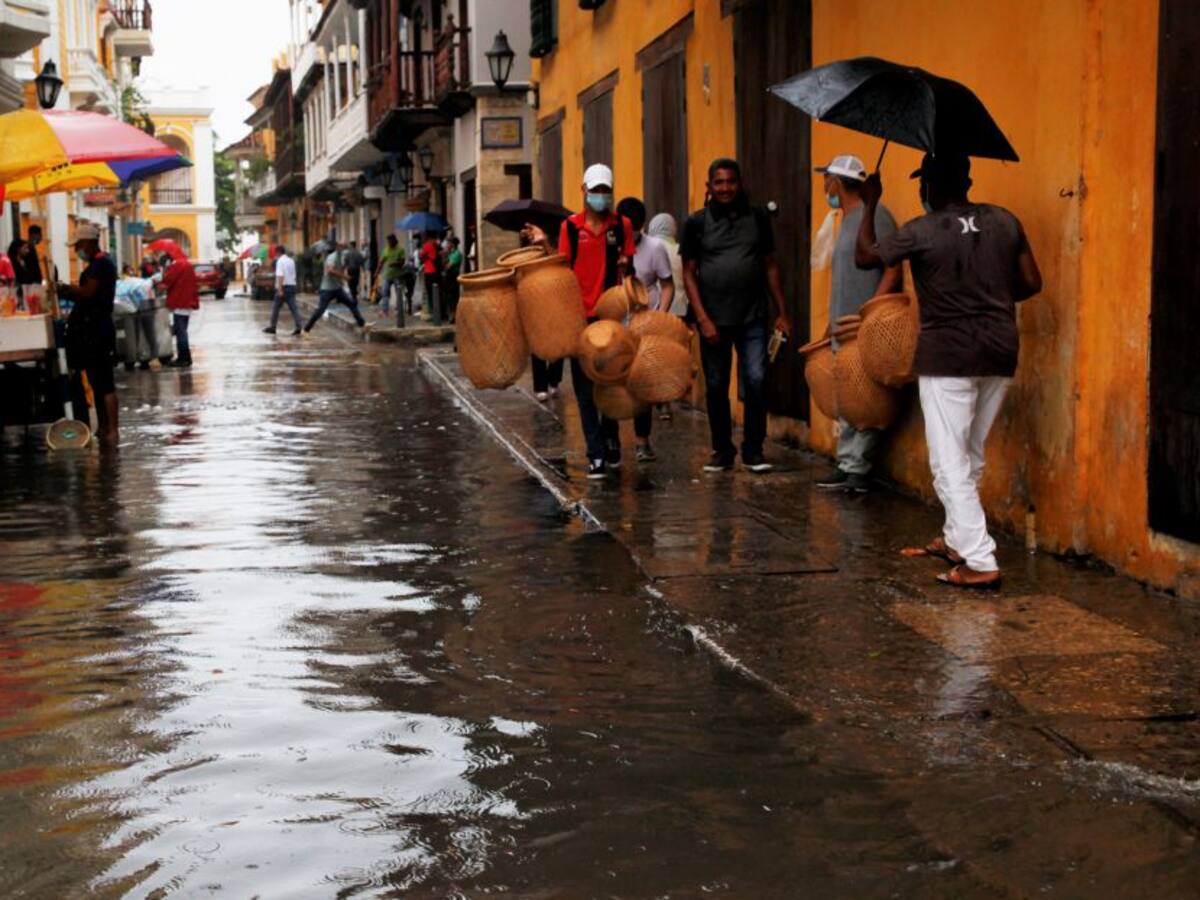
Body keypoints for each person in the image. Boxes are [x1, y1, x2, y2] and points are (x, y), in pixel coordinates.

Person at [855, 152, 1043, 590]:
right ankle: (958, 539)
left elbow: (866, 257)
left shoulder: (921, 230)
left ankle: (980, 559)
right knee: (970, 451)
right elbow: (1032, 283)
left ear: (928, 189)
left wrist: (870, 203)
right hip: (999, 348)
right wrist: (988, 292)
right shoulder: (1004, 220)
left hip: (948, 356)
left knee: (947, 461)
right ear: (968, 180)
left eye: (923, 185)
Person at [525, 163, 635, 479]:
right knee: (585, 390)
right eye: (596, 190)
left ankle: (611, 435)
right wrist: (544, 242)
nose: (601, 196)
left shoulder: (622, 225)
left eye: (606, 190)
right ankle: (596, 453)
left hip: (611, 316)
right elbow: (562, 265)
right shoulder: (570, 228)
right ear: (584, 191)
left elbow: (629, 266)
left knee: (610, 382)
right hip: (579, 318)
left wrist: (627, 264)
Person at [681, 158, 792, 474]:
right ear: (709, 187)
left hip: (752, 316)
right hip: (713, 320)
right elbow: (689, 273)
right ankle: (722, 450)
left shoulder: (757, 218)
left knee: (756, 380)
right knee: (716, 386)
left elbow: (770, 265)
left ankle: (754, 450)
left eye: (731, 181)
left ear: (740, 184)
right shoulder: (696, 223)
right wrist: (702, 318)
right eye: (719, 182)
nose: (725, 188)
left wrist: (782, 312)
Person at [812, 154, 902, 494]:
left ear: (836, 182)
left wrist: (871, 311)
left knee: (865, 397)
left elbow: (893, 267)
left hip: (864, 325)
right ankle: (847, 463)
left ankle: (857, 469)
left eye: (826, 180)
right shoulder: (844, 220)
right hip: (843, 323)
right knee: (848, 397)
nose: (824, 187)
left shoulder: (876, 216)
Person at [617, 196, 676, 463]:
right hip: (614, 324)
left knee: (642, 384)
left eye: (635, 228)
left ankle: (642, 441)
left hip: (645, 325)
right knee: (612, 383)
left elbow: (667, 285)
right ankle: (609, 441)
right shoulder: (609, 245)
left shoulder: (655, 248)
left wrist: (659, 316)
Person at [57, 223, 118, 441]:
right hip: (90, 331)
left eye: (79, 245)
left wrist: (68, 289)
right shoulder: (95, 264)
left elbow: (89, 292)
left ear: (89, 243)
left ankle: (112, 429)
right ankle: (102, 427)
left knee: (105, 383)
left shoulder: (102, 264)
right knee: (96, 383)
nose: (76, 250)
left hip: (98, 332)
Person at [305, 240, 367, 333]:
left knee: (351, 303)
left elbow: (342, 265)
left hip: (337, 288)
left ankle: (362, 324)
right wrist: (344, 277)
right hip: (327, 289)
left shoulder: (341, 255)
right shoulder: (331, 257)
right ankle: (306, 328)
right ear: (337, 247)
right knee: (320, 310)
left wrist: (343, 269)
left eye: (344, 246)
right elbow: (330, 271)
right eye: (341, 246)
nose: (343, 248)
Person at [154, 254, 199, 368]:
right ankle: (186, 357)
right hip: (188, 301)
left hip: (180, 301)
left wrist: (157, 282)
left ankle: (183, 358)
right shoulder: (186, 264)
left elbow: (166, 283)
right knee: (182, 330)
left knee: (180, 331)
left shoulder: (176, 266)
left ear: (167, 262)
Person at [264, 245, 302, 335]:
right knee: (294, 308)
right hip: (292, 286)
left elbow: (280, 276)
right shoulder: (291, 260)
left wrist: (280, 289)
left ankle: (273, 327)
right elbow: (294, 274)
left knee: (275, 308)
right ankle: (299, 326)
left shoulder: (280, 261)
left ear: (278, 252)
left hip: (283, 287)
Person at [8, 225, 44, 312]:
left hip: (32, 286)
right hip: (25, 287)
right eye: (40, 235)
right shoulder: (19, 245)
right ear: (34, 235)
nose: (41, 238)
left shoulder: (31, 249)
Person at [373, 233, 406, 320]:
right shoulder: (385, 250)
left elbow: (402, 262)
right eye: (388, 241)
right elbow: (381, 262)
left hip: (397, 275)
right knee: (385, 294)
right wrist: (377, 272)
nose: (389, 243)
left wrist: (394, 264)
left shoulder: (400, 250)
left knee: (398, 293)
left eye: (390, 241)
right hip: (387, 275)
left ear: (395, 241)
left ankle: (399, 310)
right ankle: (385, 311)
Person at [420, 231, 442, 320]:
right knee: (438, 292)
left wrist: (425, 257)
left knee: (430, 293)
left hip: (429, 271)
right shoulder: (437, 244)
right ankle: (440, 312)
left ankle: (434, 313)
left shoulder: (427, 245)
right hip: (437, 271)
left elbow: (421, 257)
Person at [442, 236, 463, 323]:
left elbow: (448, 267)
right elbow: (443, 264)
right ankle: (450, 314)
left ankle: (454, 316)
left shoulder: (457, 254)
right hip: (448, 278)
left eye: (449, 243)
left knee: (453, 297)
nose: (447, 245)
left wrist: (446, 260)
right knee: (448, 297)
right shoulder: (450, 254)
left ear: (453, 244)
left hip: (453, 277)